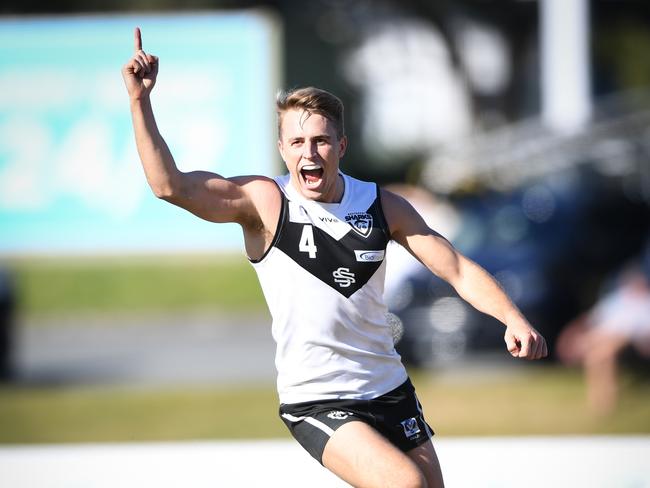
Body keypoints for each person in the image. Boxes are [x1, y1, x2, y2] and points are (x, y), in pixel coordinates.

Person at [122, 27, 547, 488]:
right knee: (405, 484)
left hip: (388, 386)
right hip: (318, 398)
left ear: (340, 147)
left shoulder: (381, 205)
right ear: (283, 149)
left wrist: (513, 318)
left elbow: (457, 269)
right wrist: (139, 101)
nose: (310, 152)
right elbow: (170, 186)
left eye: (322, 141)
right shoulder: (267, 203)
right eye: (298, 143)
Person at [557, 259, 650, 415]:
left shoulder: (645, 303)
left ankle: (604, 402)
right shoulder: (615, 300)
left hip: (631, 341)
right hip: (604, 336)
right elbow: (593, 320)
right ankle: (601, 400)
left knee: (604, 350)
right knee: (599, 352)